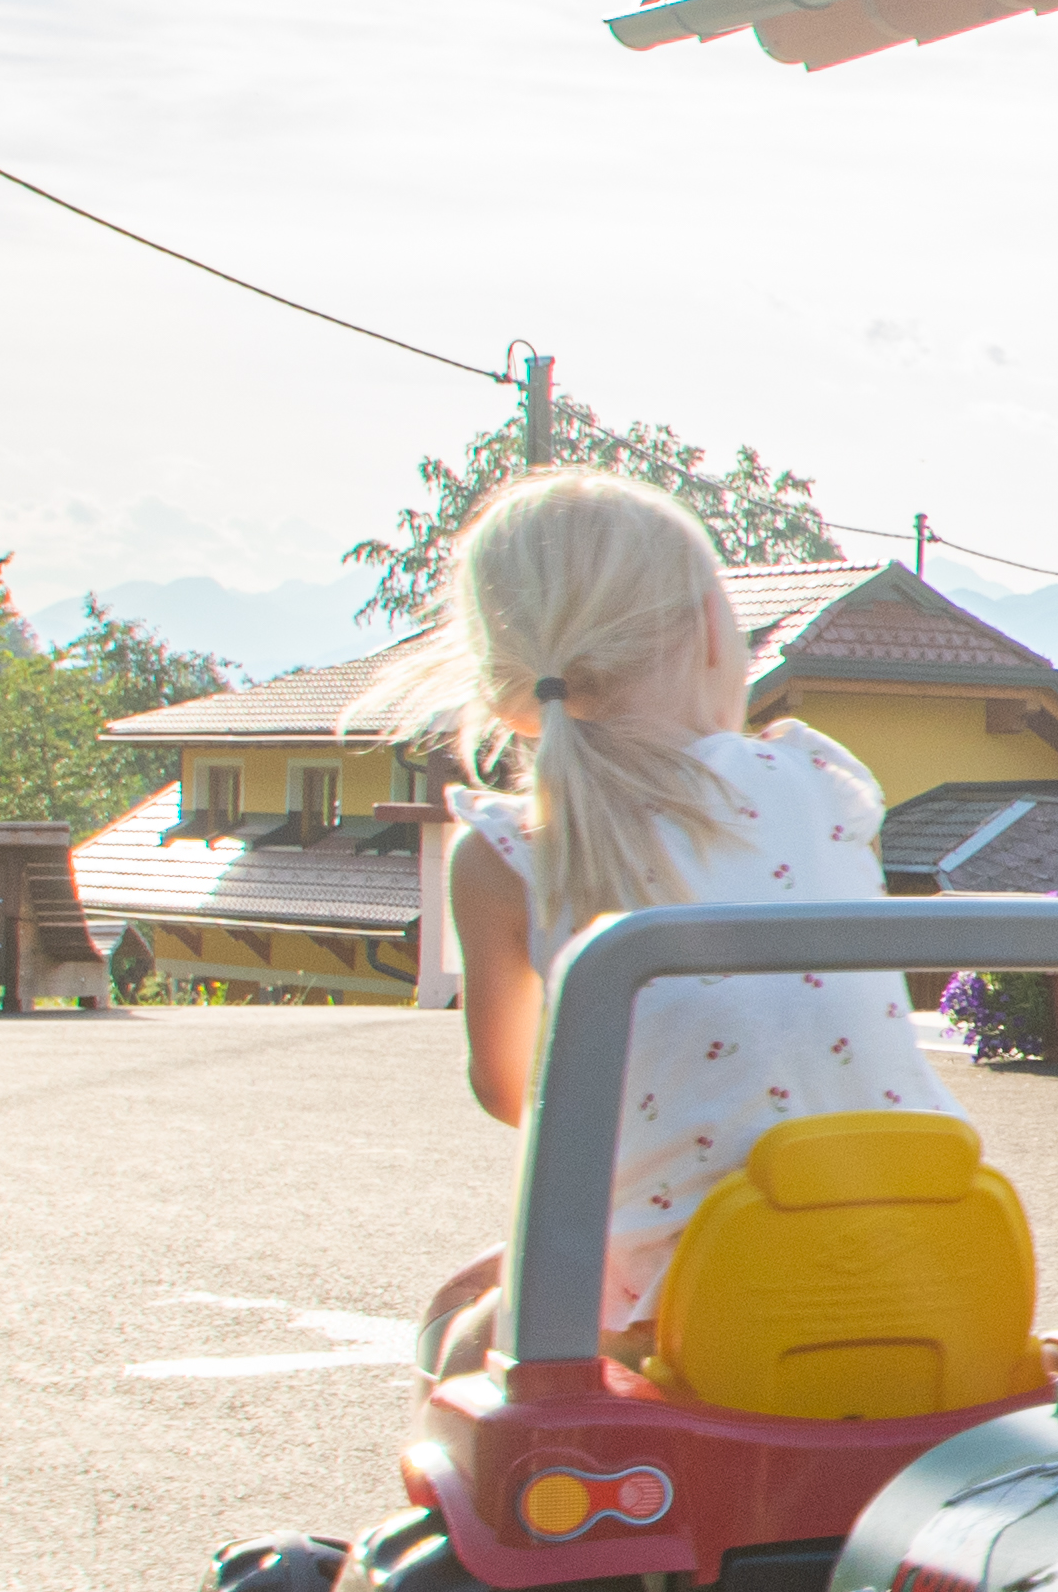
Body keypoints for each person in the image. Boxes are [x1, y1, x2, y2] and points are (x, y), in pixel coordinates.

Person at [372, 473, 959, 1376]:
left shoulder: (507, 852)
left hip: (693, 1302)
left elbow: (515, 1093)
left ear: (509, 680)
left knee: (460, 1325)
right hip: (939, 1251)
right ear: (711, 634)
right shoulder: (821, 786)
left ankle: (474, 1516)